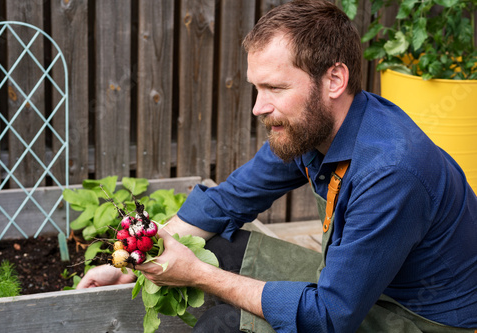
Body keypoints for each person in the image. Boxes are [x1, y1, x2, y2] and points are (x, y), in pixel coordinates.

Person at [77, 0, 477, 332]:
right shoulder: (311, 129)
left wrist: (198, 274)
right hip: (368, 283)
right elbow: (228, 200)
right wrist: (131, 263)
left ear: (334, 79)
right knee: (218, 248)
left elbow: (329, 317)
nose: (258, 107)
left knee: (222, 323)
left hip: (421, 318)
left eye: (276, 88)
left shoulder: (391, 171)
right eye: (256, 87)